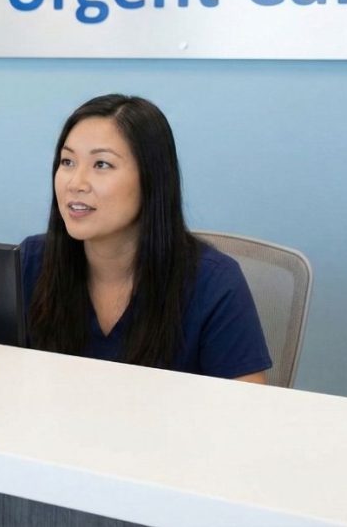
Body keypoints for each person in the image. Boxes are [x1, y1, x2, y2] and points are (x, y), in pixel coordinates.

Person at [22, 94, 271, 381]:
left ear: (151, 179)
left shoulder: (213, 282)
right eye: (67, 161)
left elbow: (246, 414)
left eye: (102, 164)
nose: (75, 183)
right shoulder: (31, 262)